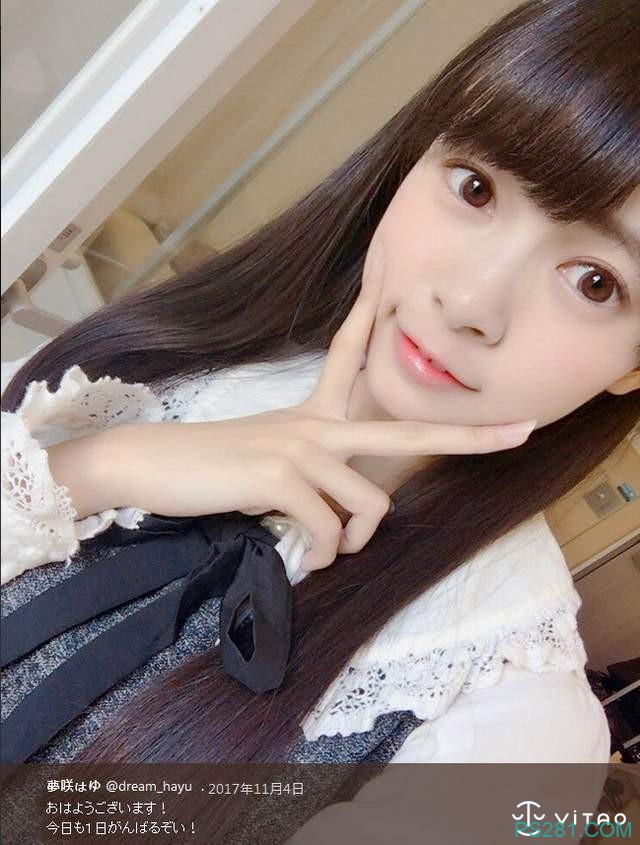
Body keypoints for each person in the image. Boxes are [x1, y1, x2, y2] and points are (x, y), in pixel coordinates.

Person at [1, 0, 638, 840]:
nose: (470, 302)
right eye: (476, 188)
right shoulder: (168, 366)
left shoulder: (516, 730)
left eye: (595, 281)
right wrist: (106, 465)